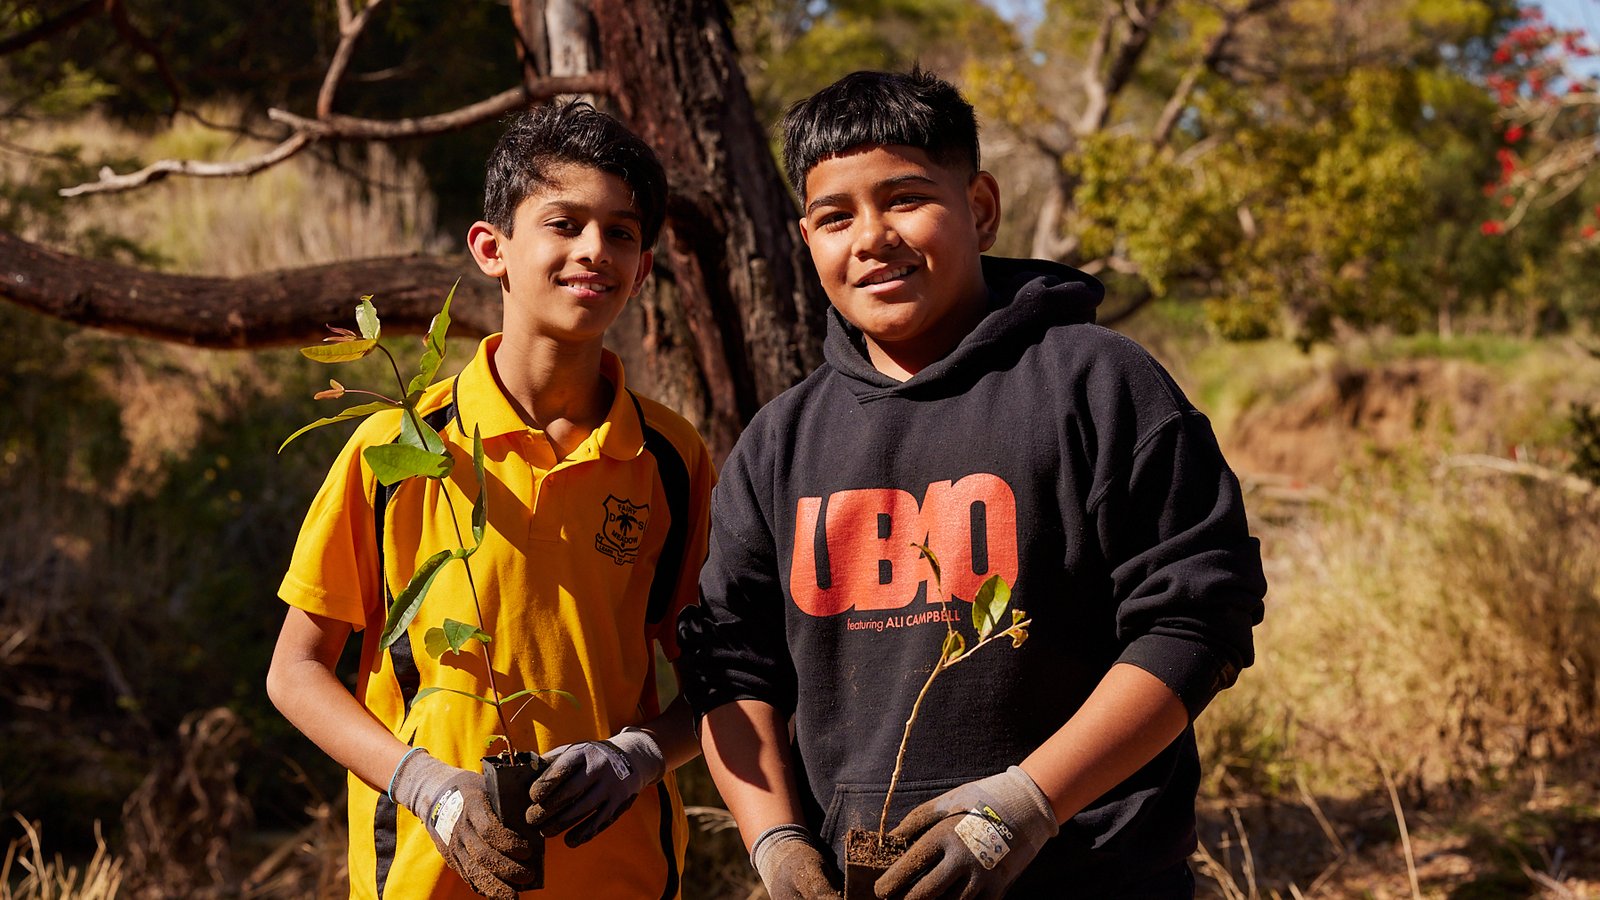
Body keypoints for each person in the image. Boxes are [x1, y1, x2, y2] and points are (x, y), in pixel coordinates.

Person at [675, 69, 1267, 898]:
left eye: (906, 198)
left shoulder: (1099, 385)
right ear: (804, 239)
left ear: (980, 208)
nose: (871, 237)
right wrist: (776, 843)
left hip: (1095, 879)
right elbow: (734, 667)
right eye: (834, 216)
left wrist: (1023, 805)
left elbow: (1197, 621)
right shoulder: (779, 442)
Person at [267, 100, 713, 900]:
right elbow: (295, 670)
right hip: (428, 876)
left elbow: (717, 681)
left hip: (622, 876)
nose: (593, 251)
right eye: (564, 223)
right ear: (492, 248)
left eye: (620, 232)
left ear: (643, 268)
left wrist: (635, 756)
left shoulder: (673, 459)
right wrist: (423, 784)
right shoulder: (395, 449)